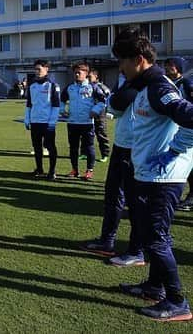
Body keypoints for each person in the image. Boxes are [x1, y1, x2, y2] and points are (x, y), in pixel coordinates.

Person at [113, 31, 193, 322]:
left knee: (156, 239)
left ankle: (176, 301)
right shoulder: (146, 87)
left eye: (122, 61)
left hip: (163, 177)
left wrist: (174, 151)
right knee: (152, 236)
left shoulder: (159, 87)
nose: (120, 67)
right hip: (149, 172)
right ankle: (155, 287)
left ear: (139, 59)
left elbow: (188, 116)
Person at [80, 68, 145, 266]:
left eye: (124, 60)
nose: (121, 66)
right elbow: (111, 105)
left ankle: (137, 251)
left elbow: (114, 105)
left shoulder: (150, 84)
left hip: (139, 147)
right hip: (122, 143)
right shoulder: (125, 81)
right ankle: (106, 241)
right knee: (113, 195)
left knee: (136, 202)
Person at [60, 63, 107, 181]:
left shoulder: (93, 87)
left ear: (86, 74)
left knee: (89, 147)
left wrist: (94, 111)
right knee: (73, 148)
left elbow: (103, 101)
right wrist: (62, 110)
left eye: (79, 72)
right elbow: (62, 100)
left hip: (87, 123)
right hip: (72, 123)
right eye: (75, 72)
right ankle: (74, 170)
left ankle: (89, 171)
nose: (76, 74)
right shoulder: (70, 87)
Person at [165, 57, 193, 212]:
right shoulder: (167, 84)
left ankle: (191, 198)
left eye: (171, 65)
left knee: (188, 165)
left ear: (179, 68)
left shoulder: (186, 83)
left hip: (187, 130)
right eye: (167, 65)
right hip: (173, 129)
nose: (168, 67)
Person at [24, 60, 60, 181]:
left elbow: (56, 106)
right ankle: (39, 169)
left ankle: (52, 171)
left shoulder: (52, 85)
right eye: (35, 69)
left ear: (46, 69)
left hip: (47, 123)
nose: (37, 72)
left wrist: (52, 122)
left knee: (50, 147)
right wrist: (27, 119)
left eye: (39, 69)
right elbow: (29, 104)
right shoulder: (32, 86)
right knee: (37, 147)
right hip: (35, 122)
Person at [88, 69, 111, 163]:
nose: (88, 78)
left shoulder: (100, 86)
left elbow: (108, 96)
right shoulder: (86, 86)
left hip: (100, 113)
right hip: (88, 112)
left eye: (89, 76)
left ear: (96, 76)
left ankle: (105, 154)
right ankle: (85, 153)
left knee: (101, 133)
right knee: (87, 133)